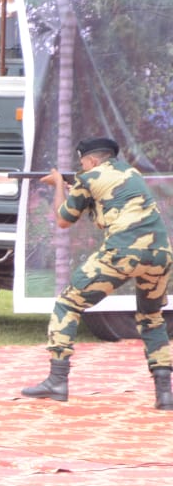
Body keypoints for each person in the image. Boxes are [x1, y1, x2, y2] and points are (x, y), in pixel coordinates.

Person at [21, 137, 173, 410]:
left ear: (91, 160)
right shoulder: (131, 173)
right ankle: (165, 393)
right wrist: (77, 190)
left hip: (124, 252)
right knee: (151, 317)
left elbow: (63, 219)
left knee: (67, 303)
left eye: (82, 162)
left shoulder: (88, 177)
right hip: (160, 253)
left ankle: (57, 380)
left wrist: (59, 185)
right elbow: (108, 209)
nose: (81, 166)